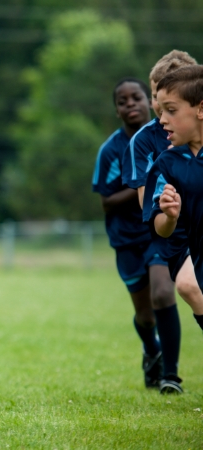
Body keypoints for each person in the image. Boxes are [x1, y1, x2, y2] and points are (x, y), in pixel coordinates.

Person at [121, 50, 201, 394]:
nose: (159, 111)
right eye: (157, 97)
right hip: (168, 237)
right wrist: (168, 211)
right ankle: (167, 370)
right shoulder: (160, 154)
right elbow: (152, 213)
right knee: (176, 290)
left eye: (169, 105)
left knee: (185, 288)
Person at [92, 78, 163, 388]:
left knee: (163, 294)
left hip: (159, 231)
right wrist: (142, 183)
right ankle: (151, 350)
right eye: (123, 102)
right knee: (146, 316)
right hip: (126, 239)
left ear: (150, 101)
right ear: (117, 111)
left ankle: (169, 373)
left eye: (136, 98)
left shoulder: (169, 137)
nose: (131, 104)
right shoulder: (111, 150)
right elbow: (107, 202)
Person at [151, 64, 203, 352]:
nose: (161, 120)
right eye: (159, 110)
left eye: (170, 110)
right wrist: (170, 215)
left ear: (200, 109)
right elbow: (160, 226)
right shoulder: (167, 164)